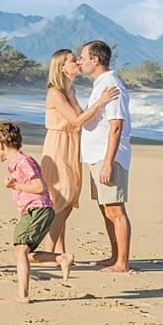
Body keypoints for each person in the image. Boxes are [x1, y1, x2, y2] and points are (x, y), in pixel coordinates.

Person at [39, 48, 119, 255]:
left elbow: (84, 118)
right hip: (58, 145)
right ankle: (48, 251)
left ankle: (59, 251)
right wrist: (100, 103)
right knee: (63, 199)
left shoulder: (70, 91)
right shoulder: (55, 93)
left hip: (72, 144)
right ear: (61, 67)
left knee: (65, 198)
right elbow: (76, 120)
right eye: (73, 60)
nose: (78, 63)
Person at [0, 121, 74, 303]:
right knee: (25, 254)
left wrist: (15, 185)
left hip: (37, 209)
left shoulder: (23, 161)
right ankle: (61, 258)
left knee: (20, 250)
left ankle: (23, 294)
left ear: (0, 144)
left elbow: (39, 186)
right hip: (38, 210)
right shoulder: (18, 163)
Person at [79, 39, 132, 273]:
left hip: (108, 156)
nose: (80, 62)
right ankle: (114, 256)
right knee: (105, 208)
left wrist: (108, 163)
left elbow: (116, 126)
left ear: (95, 60)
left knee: (115, 209)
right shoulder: (100, 84)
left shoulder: (111, 85)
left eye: (83, 58)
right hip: (96, 156)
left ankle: (122, 262)